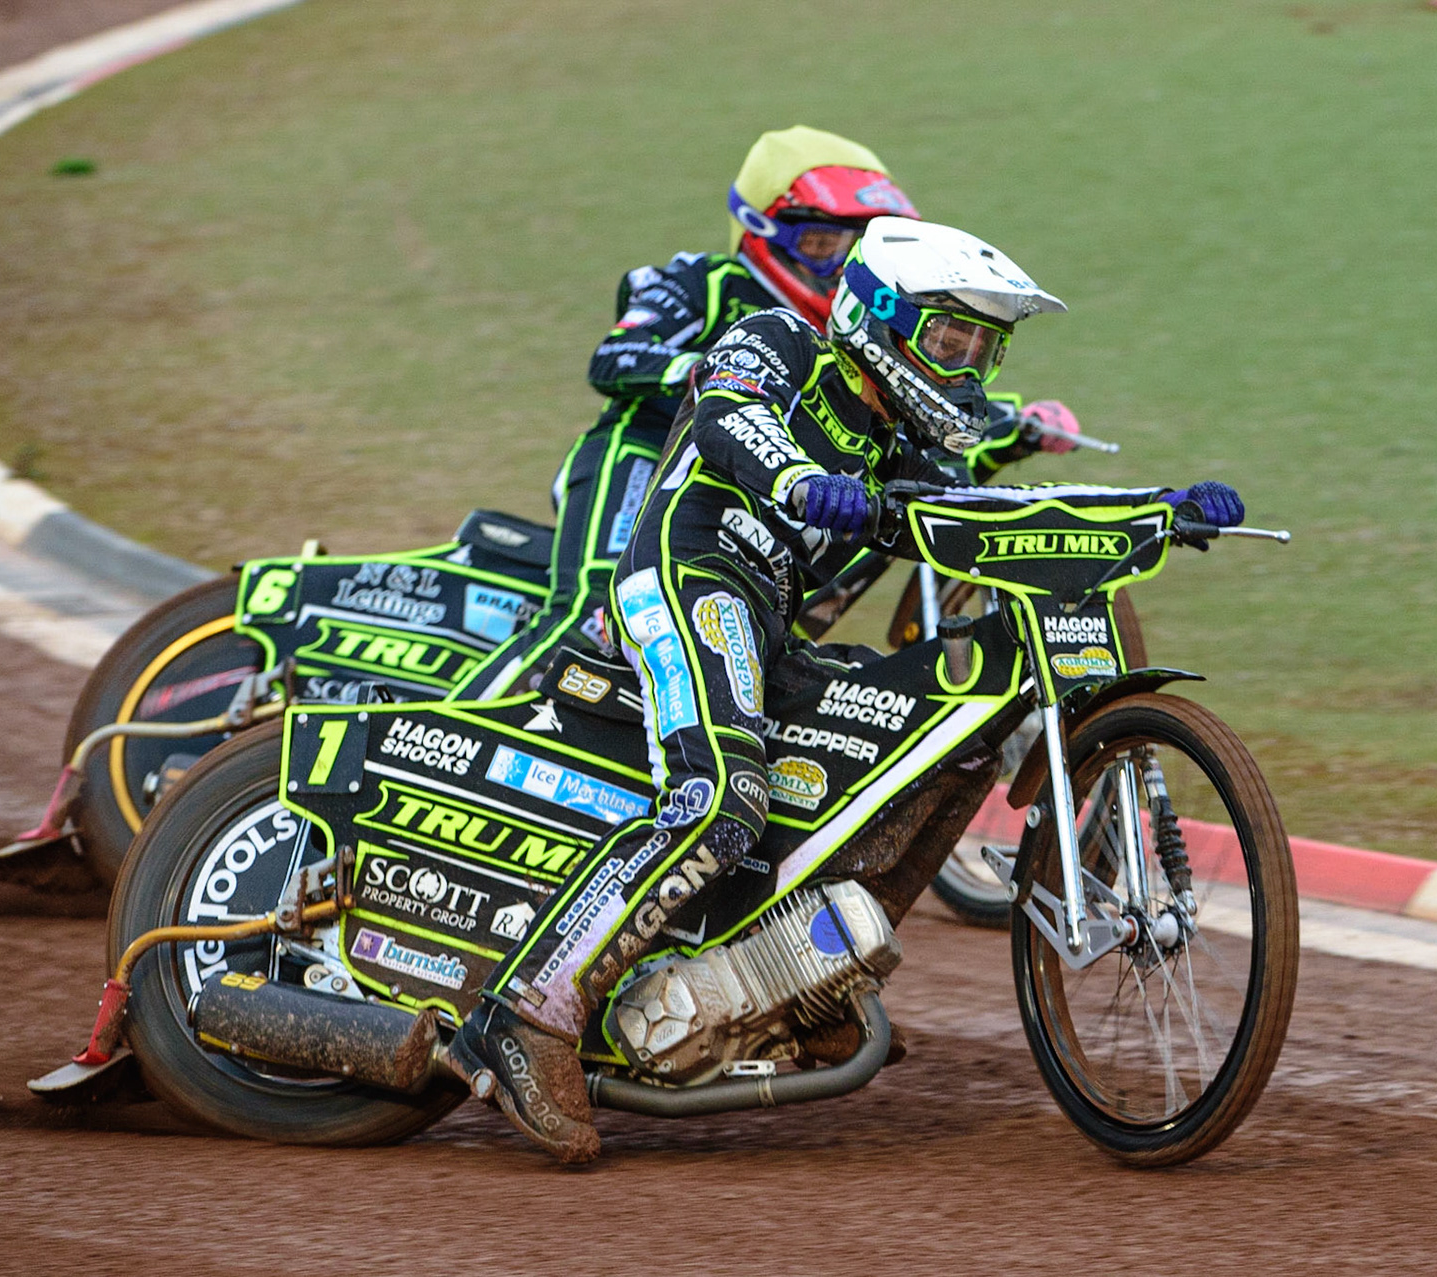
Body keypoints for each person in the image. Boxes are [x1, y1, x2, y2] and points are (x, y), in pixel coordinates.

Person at [449, 217, 1246, 1162]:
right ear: (879, 314)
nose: (967, 367)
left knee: (948, 741)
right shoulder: (780, 338)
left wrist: (1154, 513)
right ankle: (529, 1009)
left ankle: (806, 981)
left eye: (983, 348)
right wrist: (797, 476)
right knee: (726, 797)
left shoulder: (909, 439)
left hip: (769, 626)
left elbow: (995, 519)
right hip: (679, 579)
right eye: (952, 340)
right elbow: (726, 416)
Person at [448, 126, 1083, 700]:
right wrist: (711, 371)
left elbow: (925, 405)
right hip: (647, 453)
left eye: (855, 247)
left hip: (767, 497)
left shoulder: (855, 331)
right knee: (588, 610)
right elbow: (614, 358)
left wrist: (1017, 425)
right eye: (820, 243)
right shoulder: (709, 281)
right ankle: (450, 724)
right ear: (761, 230)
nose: (839, 265)